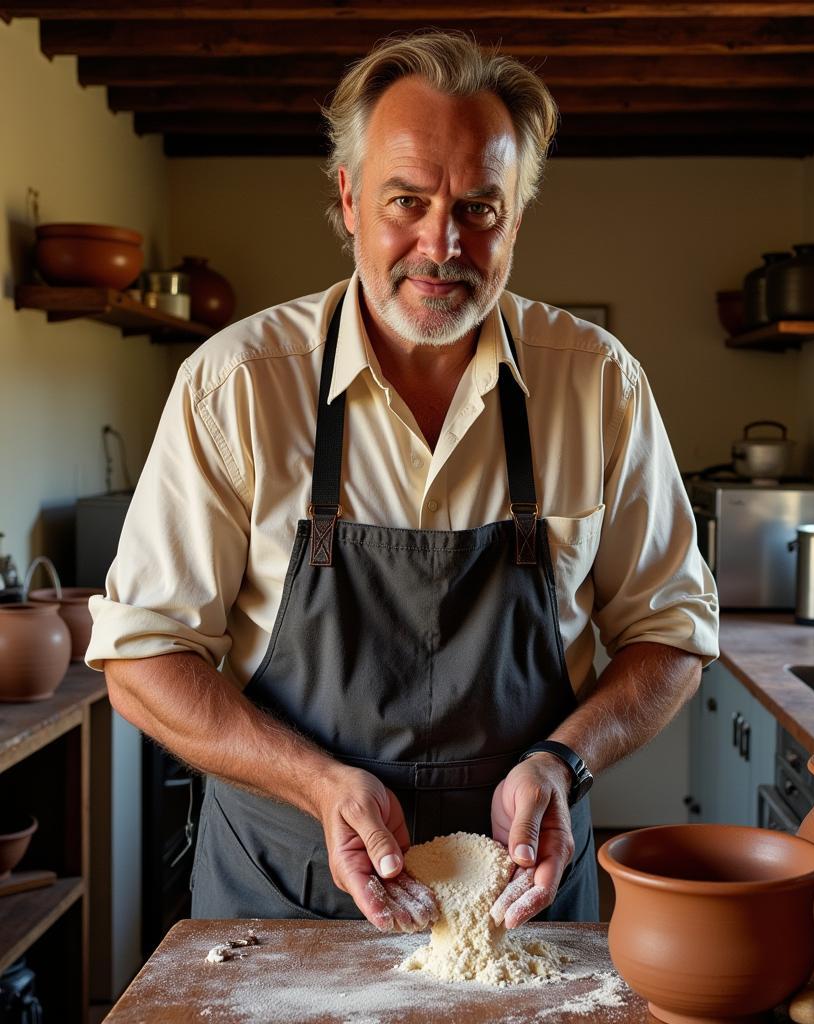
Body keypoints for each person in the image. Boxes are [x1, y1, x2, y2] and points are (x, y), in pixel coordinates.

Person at [86, 31, 718, 933]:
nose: (441, 243)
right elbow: (141, 661)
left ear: (517, 218)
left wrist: (563, 762)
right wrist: (316, 783)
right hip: (284, 898)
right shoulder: (237, 387)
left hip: (523, 909)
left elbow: (673, 636)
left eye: (479, 209)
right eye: (405, 201)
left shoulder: (598, 386)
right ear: (348, 199)